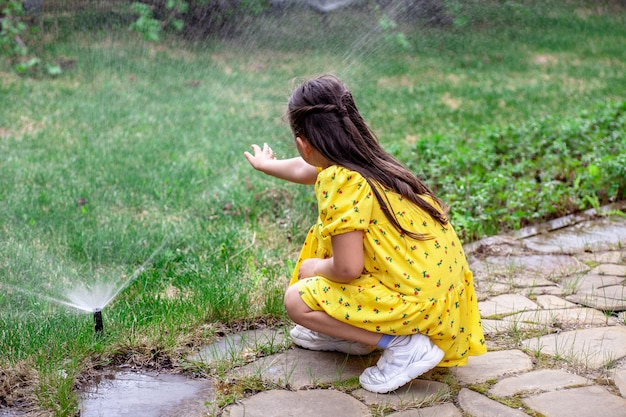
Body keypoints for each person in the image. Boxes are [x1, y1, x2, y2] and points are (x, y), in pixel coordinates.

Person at [244, 74, 486, 394]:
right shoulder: (369, 162)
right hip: (439, 298)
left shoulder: (342, 183)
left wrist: (315, 268)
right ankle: (350, 333)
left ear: (304, 144)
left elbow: (347, 269)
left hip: (415, 305)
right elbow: (309, 169)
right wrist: (268, 166)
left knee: (296, 301)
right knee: (326, 236)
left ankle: (402, 345)